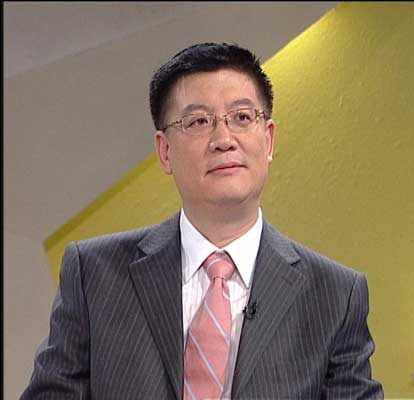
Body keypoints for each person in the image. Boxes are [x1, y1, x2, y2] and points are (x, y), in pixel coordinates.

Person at [21, 42, 384, 399]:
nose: (224, 139)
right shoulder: (94, 274)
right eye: (198, 121)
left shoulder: (336, 295)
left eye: (242, 117)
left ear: (269, 140)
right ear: (165, 151)